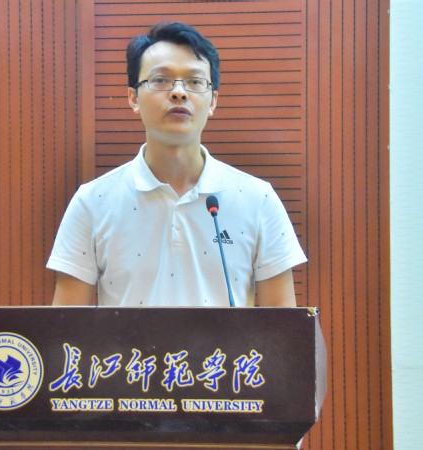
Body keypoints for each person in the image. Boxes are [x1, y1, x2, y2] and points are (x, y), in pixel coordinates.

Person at [47, 21, 306, 307]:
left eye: (195, 82)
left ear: (213, 101)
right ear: (133, 98)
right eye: (161, 80)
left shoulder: (259, 200)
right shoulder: (91, 202)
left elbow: (283, 326)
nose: (179, 92)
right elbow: (66, 326)